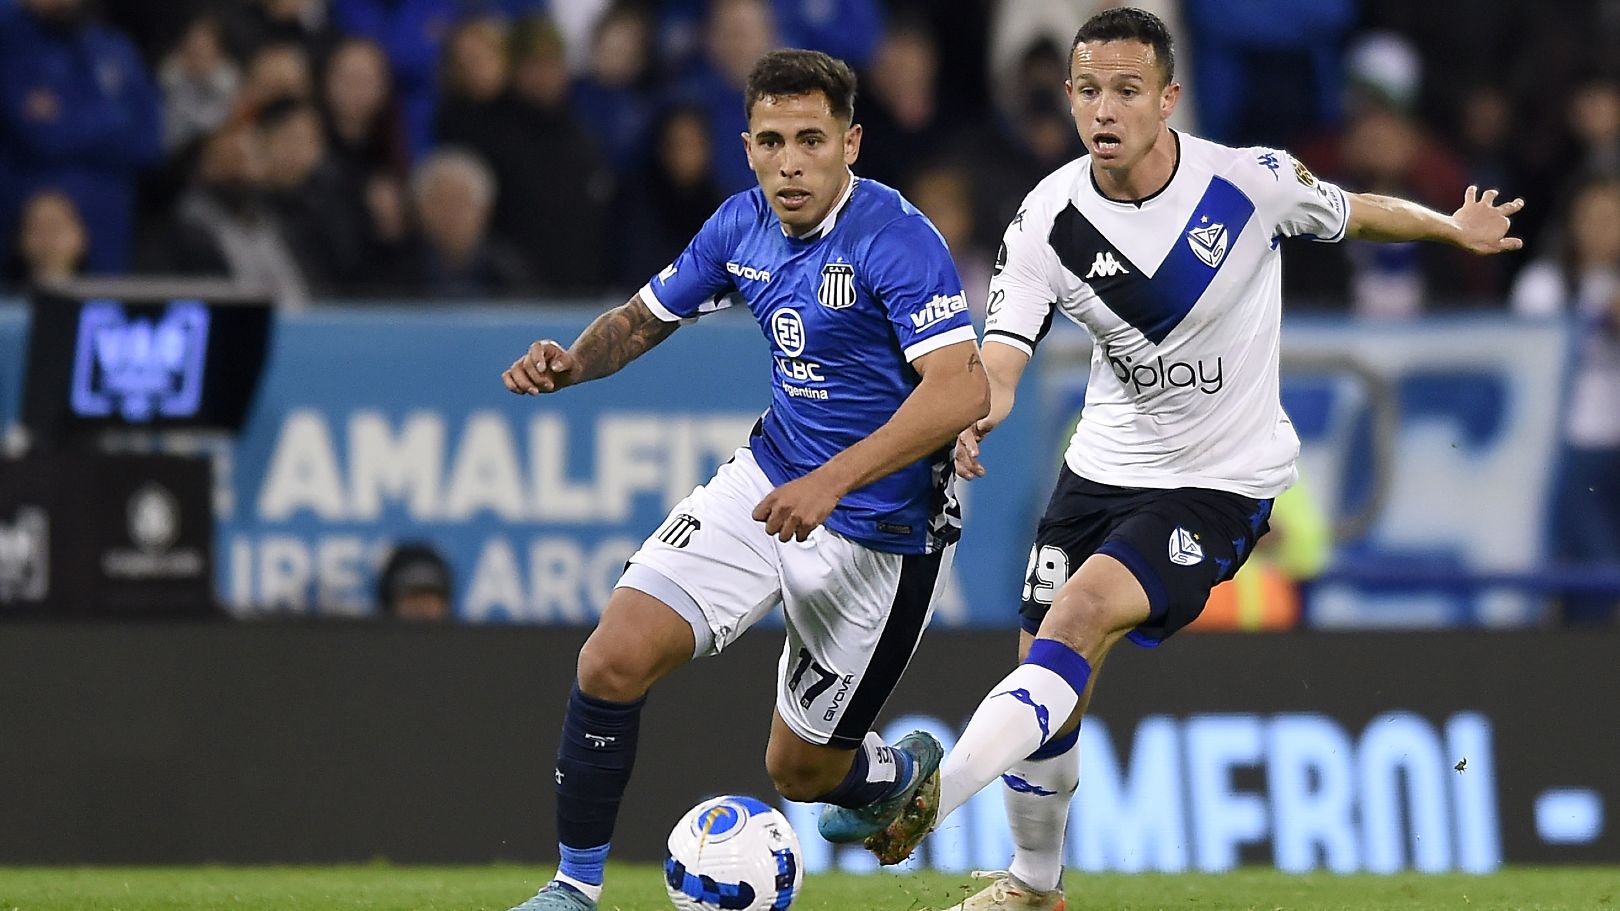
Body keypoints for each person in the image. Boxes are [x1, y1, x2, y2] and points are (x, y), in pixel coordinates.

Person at [818, 10, 1525, 908]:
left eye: (1125, 89)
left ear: (1167, 99)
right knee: (1047, 675)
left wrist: (1449, 227)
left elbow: (1356, 213)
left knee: (1075, 618)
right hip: (1100, 472)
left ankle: (929, 798)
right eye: (1087, 90)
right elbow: (1002, 361)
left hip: (1220, 482)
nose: (1103, 109)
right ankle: (1034, 886)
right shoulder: (1046, 219)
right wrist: (973, 419)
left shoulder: (1247, 184)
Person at [497, 48, 989, 911]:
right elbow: (645, 319)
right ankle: (573, 889)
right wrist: (572, 363)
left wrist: (833, 482)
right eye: (771, 141)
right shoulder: (739, 226)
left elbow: (963, 386)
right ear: (748, 146)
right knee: (611, 657)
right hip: (771, 480)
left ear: (852, 144)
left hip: (885, 531)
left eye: (812, 139)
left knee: (799, 771)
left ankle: (890, 768)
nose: (791, 162)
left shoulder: (896, 237)